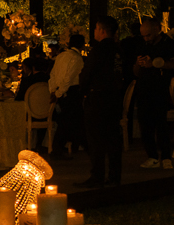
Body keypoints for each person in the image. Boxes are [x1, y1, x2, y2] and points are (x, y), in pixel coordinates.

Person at [76, 16, 122, 187]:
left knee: (96, 139)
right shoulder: (118, 50)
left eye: (96, 28)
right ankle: (115, 175)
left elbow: (87, 73)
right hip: (114, 97)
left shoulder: (99, 49)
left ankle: (97, 175)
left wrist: (82, 91)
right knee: (113, 139)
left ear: (102, 30)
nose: (94, 31)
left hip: (98, 98)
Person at [135, 17, 174, 169]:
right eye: (143, 35)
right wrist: (139, 64)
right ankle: (152, 156)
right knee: (145, 124)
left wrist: (154, 63)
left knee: (161, 124)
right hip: (143, 88)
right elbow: (135, 70)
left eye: (148, 35)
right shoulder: (142, 44)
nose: (146, 38)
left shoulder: (168, 44)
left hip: (159, 88)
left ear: (157, 30)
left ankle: (166, 156)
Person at [49, 34, 86, 157]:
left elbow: (53, 74)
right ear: (82, 45)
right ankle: (60, 149)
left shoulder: (61, 56)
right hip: (71, 91)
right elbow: (69, 78)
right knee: (69, 121)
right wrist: (59, 93)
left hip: (61, 91)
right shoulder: (76, 58)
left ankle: (70, 147)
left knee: (70, 121)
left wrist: (53, 91)